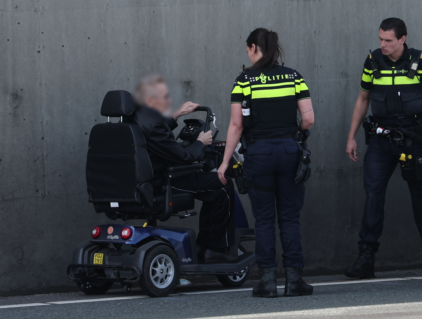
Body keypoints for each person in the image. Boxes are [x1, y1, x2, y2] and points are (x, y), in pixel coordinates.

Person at [344, 18, 422, 278]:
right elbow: (363, 99)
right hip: (381, 140)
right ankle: (366, 258)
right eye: (380, 39)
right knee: (373, 196)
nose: (383, 44)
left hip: (413, 138)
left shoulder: (420, 61)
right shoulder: (372, 61)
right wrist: (351, 137)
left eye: (388, 40)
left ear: (402, 39)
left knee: (421, 196)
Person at [217, 29, 315, 298]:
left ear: (252, 48)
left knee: (264, 220)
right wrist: (295, 135)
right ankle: (294, 280)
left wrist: (224, 162)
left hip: (259, 154)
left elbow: (237, 125)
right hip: (289, 151)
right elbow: (308, 119)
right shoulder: (293, 76)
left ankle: (268, 282)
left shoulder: (243, 81)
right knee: (290, 218)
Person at [131, 74, 236, 263]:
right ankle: (215, 249)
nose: (169, 101)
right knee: (222, 184)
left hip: (144, 181)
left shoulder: (132, 120)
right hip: (164, 181)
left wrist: (176, 115)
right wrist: (200, 142)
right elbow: (184, 156)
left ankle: (204, 247)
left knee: (211, 189)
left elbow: (156, 138)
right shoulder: (153, 125)